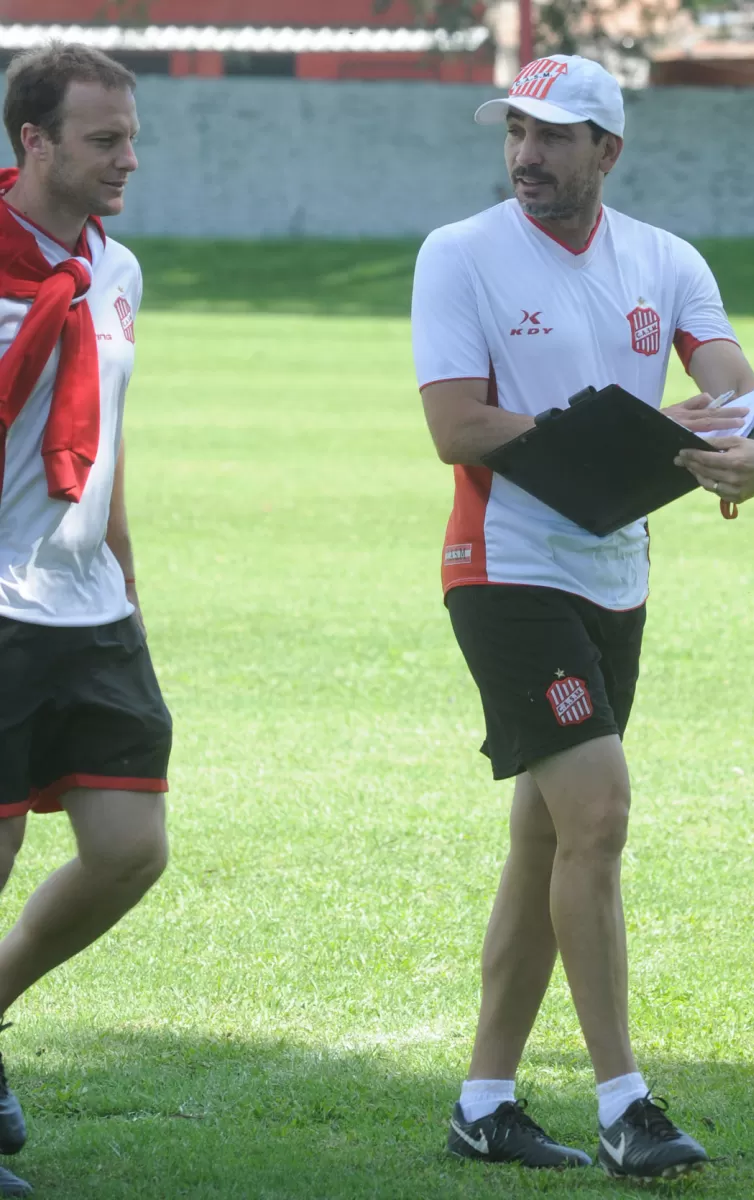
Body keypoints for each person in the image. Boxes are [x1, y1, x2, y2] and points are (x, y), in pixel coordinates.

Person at [410, 54, 754, 1181]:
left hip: (615, 571)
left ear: (607, 151)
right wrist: (637, 435)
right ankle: (626, 1103)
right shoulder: (460, 253)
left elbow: (735, 391)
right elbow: (459, 427)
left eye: (555, 135)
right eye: (515, 132)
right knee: (600, 811)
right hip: (504, 570)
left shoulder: (665, 261)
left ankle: (485, 1102)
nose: (527, 154)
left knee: (548, 837)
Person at [0, 43, 172, 1197]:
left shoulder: (118, 271)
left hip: (90, 605)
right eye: (104, 140)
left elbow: (105, 446)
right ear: (34, 142)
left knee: (129, 850)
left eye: (131, 138)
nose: (127, 160)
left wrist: (129, 585)